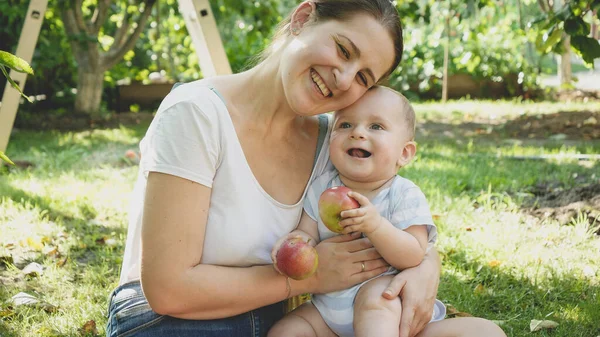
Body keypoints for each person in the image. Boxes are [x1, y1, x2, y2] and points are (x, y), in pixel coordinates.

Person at [106, 1, 442, 336]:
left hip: (275, 322)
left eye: (363, 78)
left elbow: (393, 208)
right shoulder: (196, 114)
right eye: (343, 50)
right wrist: (313, 277)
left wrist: (427, 268)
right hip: (168, 322)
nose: (343, 79)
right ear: (302, 18)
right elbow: (168, 291)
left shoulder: (335, 140)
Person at [268, 86, 507, 337]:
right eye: (345, 125)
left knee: (485, 332)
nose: (358, 133)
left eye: (376, 127)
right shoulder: (321, 189)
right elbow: (307, 232)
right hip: (328, 316)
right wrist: (295, 243)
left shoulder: (403, 194)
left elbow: (414, 253)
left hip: (390, 317)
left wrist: (375, 226)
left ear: (404, 153)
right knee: (287, 330)